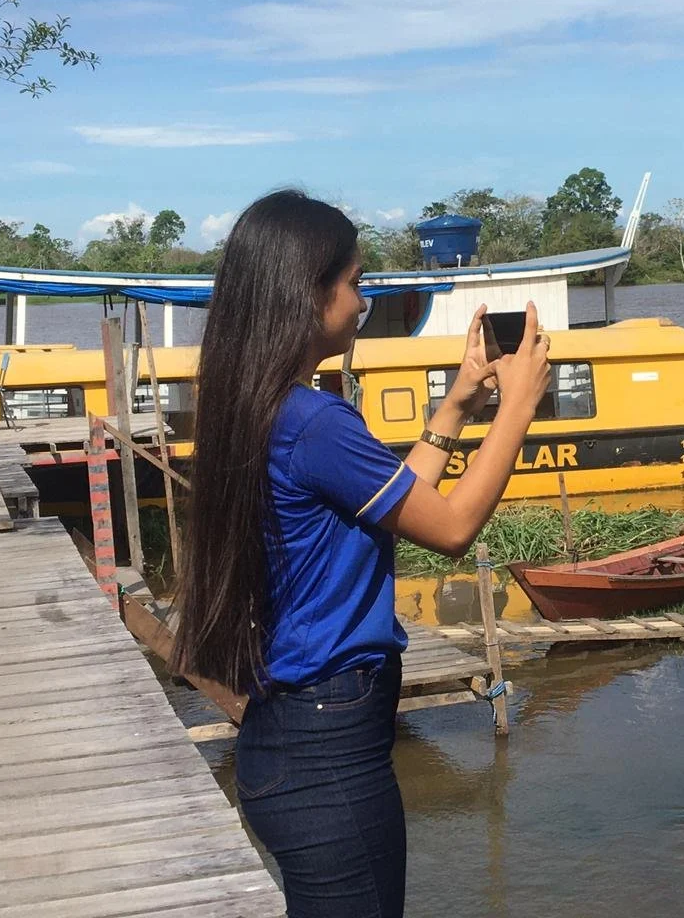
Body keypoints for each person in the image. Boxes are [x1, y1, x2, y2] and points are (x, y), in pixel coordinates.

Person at [171, 189, 550, 917]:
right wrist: (521, 405)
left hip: (289, 735)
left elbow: (402, 502)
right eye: (356, 281)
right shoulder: (316, 421)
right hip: (329, 748)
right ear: (305, 294)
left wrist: (461, 401)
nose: (366, 299)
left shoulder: (259, 406)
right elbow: (450, 528)